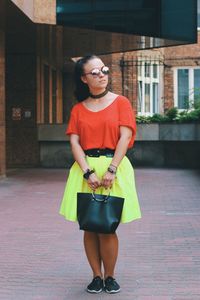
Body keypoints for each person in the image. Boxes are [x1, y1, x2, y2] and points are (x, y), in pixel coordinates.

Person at [59, 54, 141, 294]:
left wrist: (112, 169)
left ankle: (110, 277)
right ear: (84, 79)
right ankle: (96, 276)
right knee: (89, 225)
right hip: (85, 170)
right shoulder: (78, 109)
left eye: (103, 70)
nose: (102, 75)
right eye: (95, 72)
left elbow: (125, 137)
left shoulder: (121, 102)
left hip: (114, 166)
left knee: (108, 226)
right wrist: (87, 172)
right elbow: (74, 142)